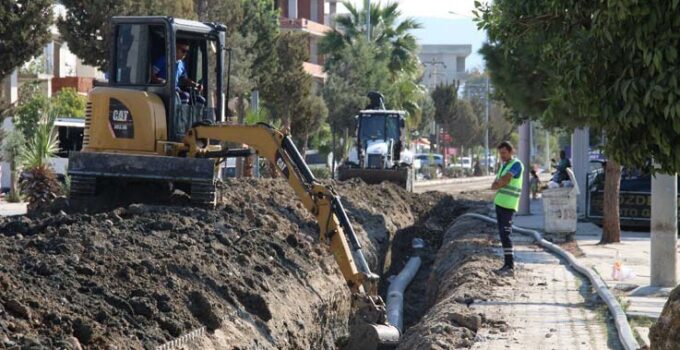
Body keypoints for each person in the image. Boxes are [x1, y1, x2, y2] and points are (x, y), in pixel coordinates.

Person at [491, 141, 524, 275]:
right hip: (500, 204)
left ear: (511, 152)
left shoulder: (516, 165)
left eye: (504, 153)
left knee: (506, 234)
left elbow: (505, 180)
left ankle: (510, 266)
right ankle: (506, 264)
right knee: (503, 235)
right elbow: (495, 183)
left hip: (509, 205)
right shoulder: (504, 166)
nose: (502, 156)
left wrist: (500, 183)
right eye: (500, 154)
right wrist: (499, 183)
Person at [151, 39, 204, 104]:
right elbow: (151, 75)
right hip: (162, 91)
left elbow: (184, 79)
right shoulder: (163, 60)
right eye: (183, 51)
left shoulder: (182, 64)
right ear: (175, 48)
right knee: (184, 96)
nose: (185, 54)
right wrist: (161, 82)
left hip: (175, 90)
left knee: (200, 100)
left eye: (187, 52)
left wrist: (195, 84)